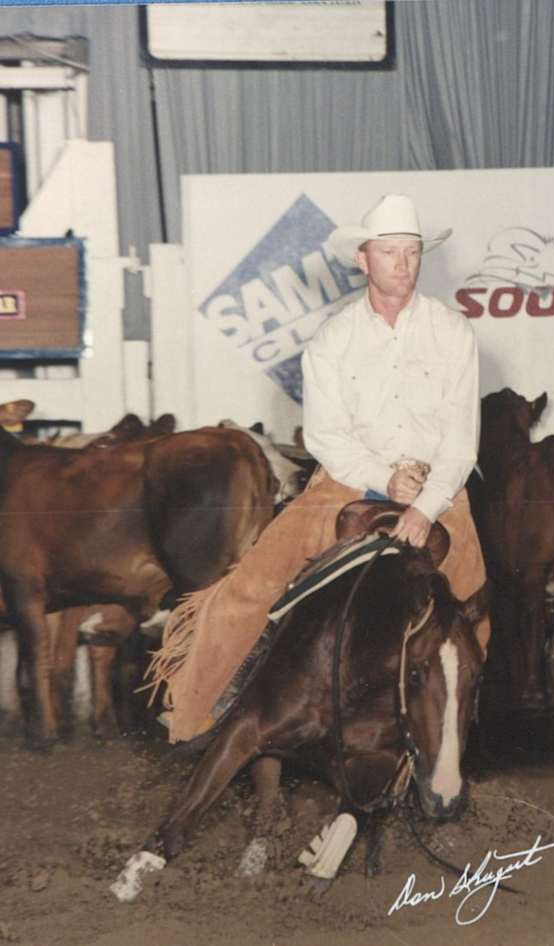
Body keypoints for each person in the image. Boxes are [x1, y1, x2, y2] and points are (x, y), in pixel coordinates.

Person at [151, 194, 489, 743]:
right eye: (389, 252)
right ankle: (197, 711)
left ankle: (449, 732)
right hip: (348, 482)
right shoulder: (333, 339)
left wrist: (425, 506)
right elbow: (326, 436)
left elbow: (461, 439)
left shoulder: (453, 333)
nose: (403, 264)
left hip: (440, 486)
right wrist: (385, 480)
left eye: (411, 251)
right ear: (363, 260)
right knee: (250, 587)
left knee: (473, 607)